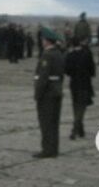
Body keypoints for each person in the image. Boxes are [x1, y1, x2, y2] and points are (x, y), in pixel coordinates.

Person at [33, 27, 64, 158]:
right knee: (54, 122)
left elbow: (43, 77)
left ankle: (47, 149)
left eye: (43, 40)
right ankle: (54, 148)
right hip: (57, 89)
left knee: (46, 122)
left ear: (46, 41)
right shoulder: (59, 53)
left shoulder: (47, 55)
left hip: (47, 92)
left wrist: (37, 93)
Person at [65, 35, 95, 139]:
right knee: (81, 107)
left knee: (76, 106)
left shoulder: (70, 55)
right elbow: (92, 71)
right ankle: (75, 129)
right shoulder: (87, 54)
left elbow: (67, 71)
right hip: (85, 83)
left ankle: (80, 129)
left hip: (74, 84)